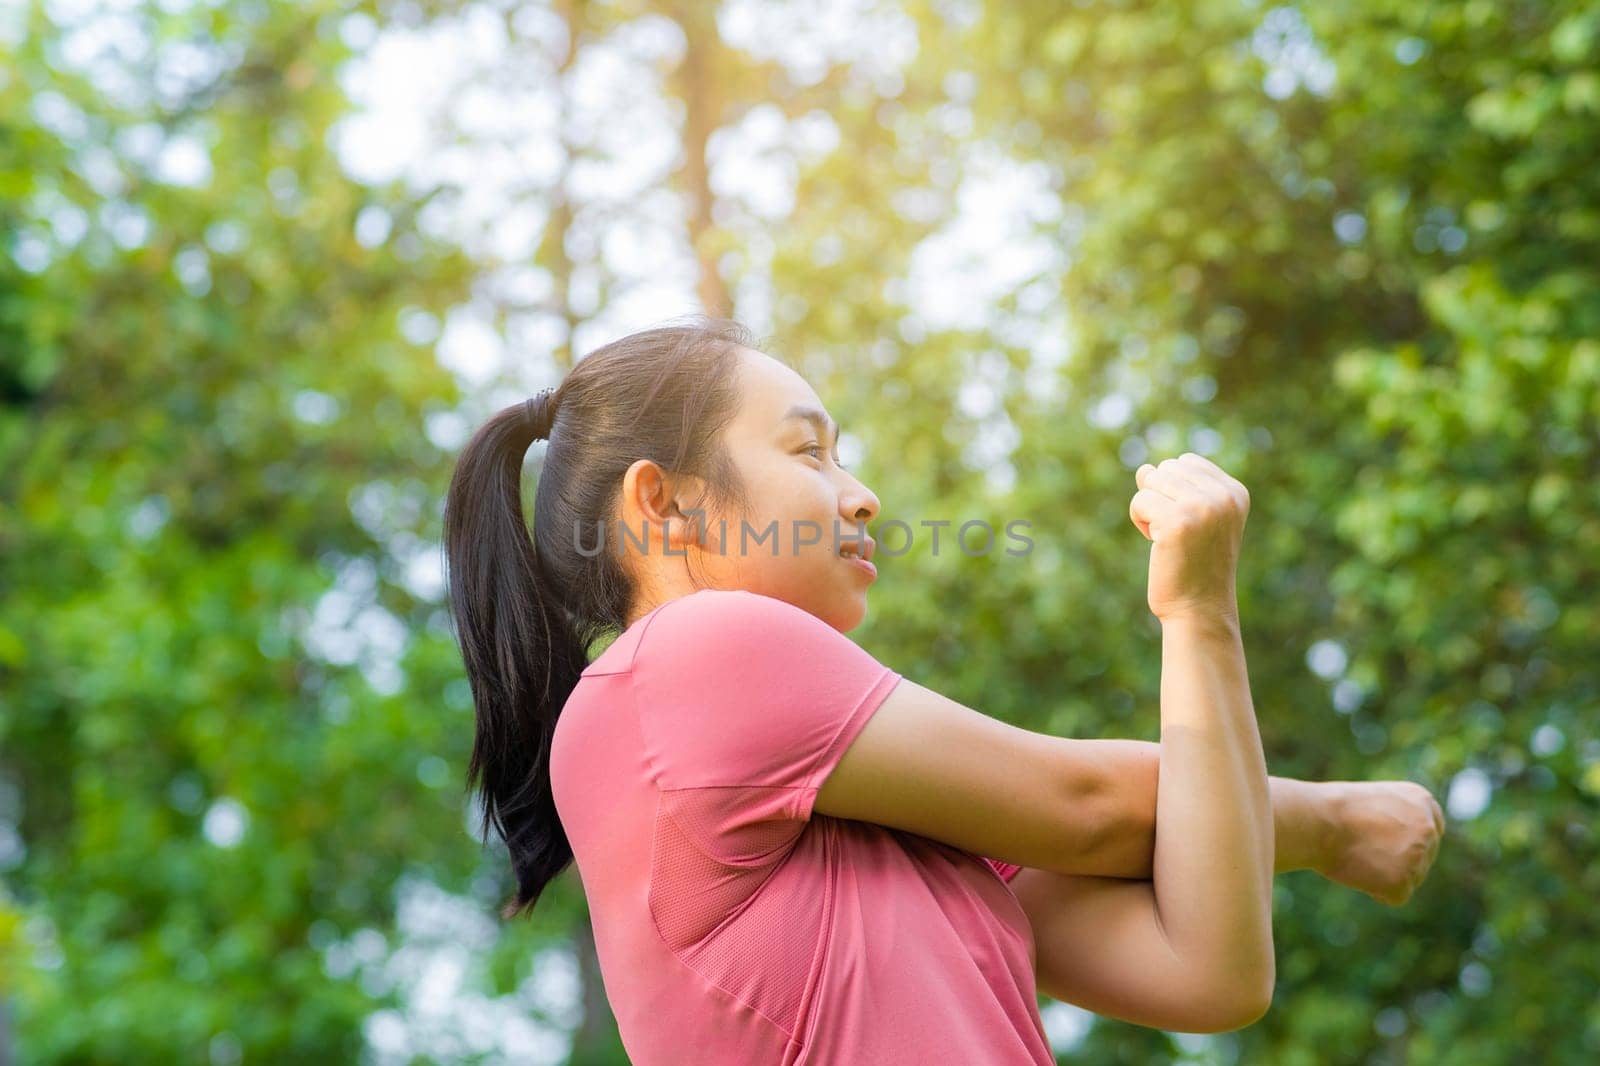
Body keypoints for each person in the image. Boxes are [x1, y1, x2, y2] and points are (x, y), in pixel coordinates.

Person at [442, 318, 1444, 1064]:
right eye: (806, 449)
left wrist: (1200, 620)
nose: (860, 491)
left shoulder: (885, 826)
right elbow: (1086, 807)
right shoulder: (688, 654)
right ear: (664, 503)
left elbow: (1210, 970)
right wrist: (1333, 822)